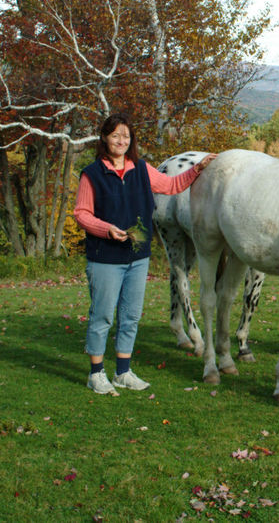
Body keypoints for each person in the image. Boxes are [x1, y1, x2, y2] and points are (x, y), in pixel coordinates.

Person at [73, 113, 216, 395]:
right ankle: (96, 373)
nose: (121, 141)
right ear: (105, 138)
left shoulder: (141, 169)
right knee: (102, 316)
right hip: (105, 257)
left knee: (131, 316)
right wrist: (106, 229)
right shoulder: (92, 174)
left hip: (137, 257)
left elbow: (172, 185)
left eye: (125, 136)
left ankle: (123, 372)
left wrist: (198, 168)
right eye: (115, 135)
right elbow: (81, 213)